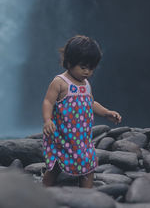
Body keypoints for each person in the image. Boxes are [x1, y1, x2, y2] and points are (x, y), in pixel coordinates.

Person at [41, 35, 122, 188]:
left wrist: (107, 113)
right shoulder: (60, 82)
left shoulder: (86, 84)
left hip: (82, 139)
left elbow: (91, 103)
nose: (87, 72)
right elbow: (48, 101)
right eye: (83, 67)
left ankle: (86, 195)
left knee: (88, 165)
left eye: (91, 68)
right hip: (62, 137)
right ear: (69, 62)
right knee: (55, 167)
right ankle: (44, 191)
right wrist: (47, 120)